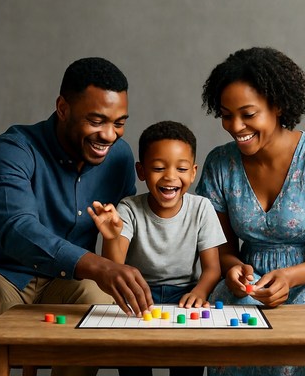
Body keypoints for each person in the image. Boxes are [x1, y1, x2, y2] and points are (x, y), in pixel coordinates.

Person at [0, 57, 153, 376]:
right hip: (2, 275)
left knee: (103, 303)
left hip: (71, 283)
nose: (109, 135)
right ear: (63, 108)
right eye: (96, 120)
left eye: (119, 122)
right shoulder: (12, 149)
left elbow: (122, 230)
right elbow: (17, 229)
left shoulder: (119, 157)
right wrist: (98, 266)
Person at [195, 47, 305, 376]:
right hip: (254, 275)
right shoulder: (220, 163)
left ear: (277, 106)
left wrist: (290, 276)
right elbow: (223, 249)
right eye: (226, 114)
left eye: (248, 113)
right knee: (234, 319)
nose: (235, 125)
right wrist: (233, 270)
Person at [88, 120, 226, 376]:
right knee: (133, 359)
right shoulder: (128, 208)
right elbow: (116, 268)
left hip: (185, 295)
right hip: (138, 296)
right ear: (141, 171)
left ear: (193, 172)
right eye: (159, 168)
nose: (170, 176)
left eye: (181, 168)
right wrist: (110, 237)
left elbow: (212, 269)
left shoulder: (202, 208)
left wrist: (200, 292)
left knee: (188, 361)